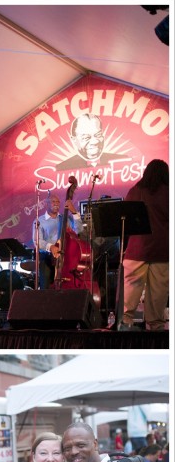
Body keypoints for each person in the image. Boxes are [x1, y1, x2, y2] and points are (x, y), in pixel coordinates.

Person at [119, 159, 169, 331]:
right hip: (162, 250)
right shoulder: (169, 192)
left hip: (137, 249)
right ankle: (156, 330)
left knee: (130, 291)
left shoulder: (136, 190)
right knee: (158, 294)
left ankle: (125, 325)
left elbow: (124, 217)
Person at [32, 192, 84, 289]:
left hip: (65, 259)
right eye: (53, 201)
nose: (56, 203)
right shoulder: (39, 221)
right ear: (47, 204)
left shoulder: (65, 219)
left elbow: (79, 231)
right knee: (46, 287)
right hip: (47, 259)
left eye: (58, 202)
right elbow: (37, 241)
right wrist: (51, 247)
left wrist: (74, 212)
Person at [56, 113, 128, 171]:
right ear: (74, 140)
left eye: (98, 135)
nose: (94, 142)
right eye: (86, 138)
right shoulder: (62, 168)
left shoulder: (123, 160)